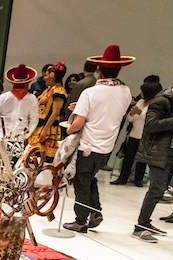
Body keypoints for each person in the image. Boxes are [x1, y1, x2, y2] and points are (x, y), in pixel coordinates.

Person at [62, 46, 133, 234]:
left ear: (99, 69)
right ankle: (95, 212)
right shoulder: (125, 91)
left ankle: (81, 220)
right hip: (106, 147)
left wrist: (69, 128)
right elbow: (111, 110)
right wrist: (84, 107)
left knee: (81, 182)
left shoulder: (91, 93)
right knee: (90, 178)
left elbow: (78, 123)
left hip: (88, 145)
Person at [132, 74, 173, 240]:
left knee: (160, 190)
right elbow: (151, 125)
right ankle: (140, 227)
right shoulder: (163, 100)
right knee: (157, 189)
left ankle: (145, 223)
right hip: (160, 151)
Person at [111, 81, 161, 186]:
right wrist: (132, 113)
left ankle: (138, 180)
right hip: (133, 134)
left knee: (141, 160)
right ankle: (122, 178)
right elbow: (130, 119)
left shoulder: (156, 104)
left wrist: (140, 113)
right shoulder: (140, 102)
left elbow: (152, 120)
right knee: (127, 158)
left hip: (145, 136)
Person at [0, 64, 39, 142]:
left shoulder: (3, 97)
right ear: (27, 82)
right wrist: (26, 135)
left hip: (0, 137)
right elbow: (34, 121)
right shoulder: (32, 99)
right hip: (19, 139)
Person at [28, 62, 67, 163]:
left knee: (43, 158)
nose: (44, 78)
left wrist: (45, 130)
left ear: (52, 76)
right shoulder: (48, 90)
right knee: (33, 156)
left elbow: (55, 113)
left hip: (48, 128)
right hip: (40, 126)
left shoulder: (59, 91)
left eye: (46, 76)